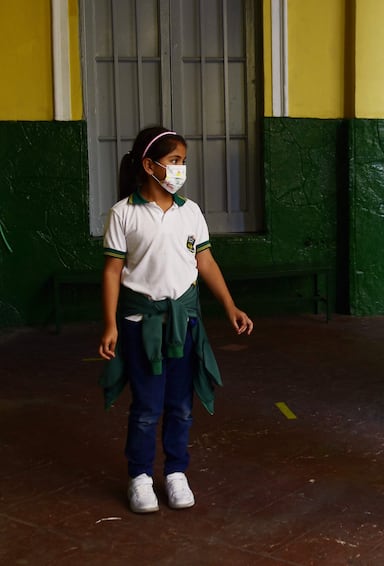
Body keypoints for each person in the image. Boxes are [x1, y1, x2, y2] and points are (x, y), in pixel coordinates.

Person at [98, 126, 254, 514]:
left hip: (185, 323)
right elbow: (112, 273)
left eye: (183, 162)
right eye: (174, 162)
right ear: (150, 166)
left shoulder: (191, 212)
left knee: (181, 405)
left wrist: (230, 305)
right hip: (141, 324)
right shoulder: (124, 213)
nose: (180, 169)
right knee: (147, 406)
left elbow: (205, 261)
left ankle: (175, 473)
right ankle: (140, 477)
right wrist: (111, 324)